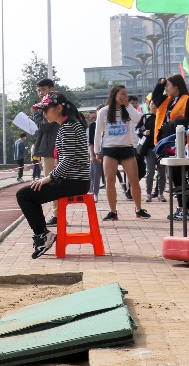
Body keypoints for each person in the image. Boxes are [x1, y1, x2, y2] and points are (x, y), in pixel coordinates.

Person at [16, 92, 90, 259]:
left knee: (24, 195)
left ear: (58, 108)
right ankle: (43, 234)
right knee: (29, 193)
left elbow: (69, 159)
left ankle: (43, 235)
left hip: (74, 181)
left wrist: (49, 178)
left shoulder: (70, 126)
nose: (44, 113)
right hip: (72, 180)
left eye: (46, 109)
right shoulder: (67, 125)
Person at [94, 85, 150, 221]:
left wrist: (128, 105)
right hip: (109, 149)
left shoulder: (128, 110)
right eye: (122, 94)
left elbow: (138, 118)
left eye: (126, 94)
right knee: (110, 180)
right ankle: (113, 211)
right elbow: (98, 132)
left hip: (127, 148)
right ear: (114, 95)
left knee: (134, 180)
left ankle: (138, 209)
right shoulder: (104, 111)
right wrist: (97, 151)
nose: (124, 96)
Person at [152, 75, 189, 221]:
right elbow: (155, 98)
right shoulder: (168, 101)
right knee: (176, 178)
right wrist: (160, 84)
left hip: (184, 144)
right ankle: (181, 208)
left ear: (176, 86)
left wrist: (171, 125)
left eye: (168, 86)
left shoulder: (187, 99)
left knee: (186, 177)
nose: (166, 89)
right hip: (170, 145)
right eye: (165, 86)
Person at [32, 78, 60, 226]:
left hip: (63, 147)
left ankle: (60, 214)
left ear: (51, 89)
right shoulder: (38, 109)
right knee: (50, 182)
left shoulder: (61, 103)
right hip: (48, 150)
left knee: (62, 181)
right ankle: (57, 215)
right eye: (39, 90)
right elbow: (42, 127)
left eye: (43, 89)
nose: (41, 93)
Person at [136, 100, 165, 203]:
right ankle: (148, 194)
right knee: (150, 171)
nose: (154, 106)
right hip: (149, 148)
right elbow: (137, 129)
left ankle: (161, 194)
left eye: (156, 104)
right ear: (149, 106)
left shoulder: (163, 117)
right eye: (152, 104)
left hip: (161, 148)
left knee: (162, 172)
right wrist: (143, 132)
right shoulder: (145, 117)